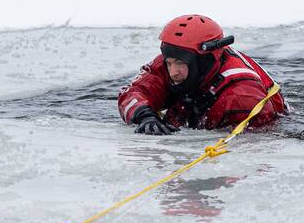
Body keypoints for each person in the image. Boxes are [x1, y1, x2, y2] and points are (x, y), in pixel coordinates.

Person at [118, 15, 287, 135]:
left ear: (204, 61)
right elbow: (133, 92)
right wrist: (145, 117)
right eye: (169, 62)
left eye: (180, 64)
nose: (173, 72)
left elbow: (255, 146)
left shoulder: (241, 96)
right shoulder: (170, 64)